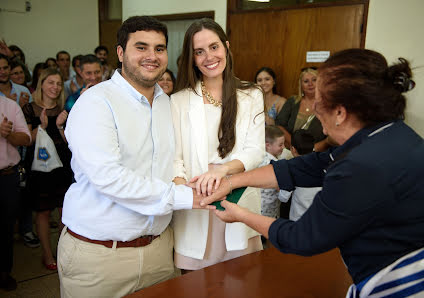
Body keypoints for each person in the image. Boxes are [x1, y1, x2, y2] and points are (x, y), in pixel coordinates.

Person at [201, 49, 424, 297]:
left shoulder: (361, 166)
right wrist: (232, 181)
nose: (314, 109)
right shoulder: (388, 134)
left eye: (318, 101)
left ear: (340, 113)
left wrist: (241, 214)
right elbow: (305, 167)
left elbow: (303, 238)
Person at [57, 16, 207, 297]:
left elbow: (174, 160)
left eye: (159, 48)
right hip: (100, 256)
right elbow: (110, 178)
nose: (152, 56)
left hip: (160, 251)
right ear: (120, 53)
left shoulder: (166, 103)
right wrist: (189, 197)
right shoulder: (96, 102)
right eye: (141, 47)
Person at [171, 18, 265, 272]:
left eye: (214, 47)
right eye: (199, 52)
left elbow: (256, 151)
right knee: (196, 283)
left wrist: (222, 172)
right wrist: (188, 192)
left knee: (242, 281)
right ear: (191, 58)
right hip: (197, 200)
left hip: (238, 194)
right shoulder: (178, 101)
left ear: (226, 47)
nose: (208, 57)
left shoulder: (251, 94)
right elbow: (174, 158)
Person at [21, 68, 71, 271]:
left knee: (63, 212)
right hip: (39, 167)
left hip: (62, 166)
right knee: (42, 212)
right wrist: (40, 127)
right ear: (41, 83)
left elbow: (71, 142)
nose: (55, 87)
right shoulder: (29, 109)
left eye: (58, 83)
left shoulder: (63, 110)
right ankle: (47, 254)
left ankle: (62, 251)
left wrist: (59, 126)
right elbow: (25, 140)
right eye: (51, 82)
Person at [0, 95, 31, 291]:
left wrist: (8, 134)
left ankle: (4, 272)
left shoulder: (9, 106)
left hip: (6, 176)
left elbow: (26, 138)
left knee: (5, 227)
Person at [275, 67, 328, 150]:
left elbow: (330, 137)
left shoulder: (328, 104)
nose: (310, 84)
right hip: (290, 150)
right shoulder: (292, 101)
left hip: (316, 152)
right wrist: (296, 147)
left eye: (314, 80)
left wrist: (311, 150)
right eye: (306, 81)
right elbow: (279, 125)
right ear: (301, 85)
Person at [278, 129, 321, 221]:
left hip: (298, 219)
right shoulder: (322, 161)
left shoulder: (291, 168)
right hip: (318, 217)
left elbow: (283, 198)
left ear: (292, 149)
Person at [259, 125, 285, 219]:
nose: (283, 147)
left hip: (259, 206)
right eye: (280, 145)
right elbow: (282, 193)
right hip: (269, 210)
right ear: (268, 145)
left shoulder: (258, 158)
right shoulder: (275, 165)